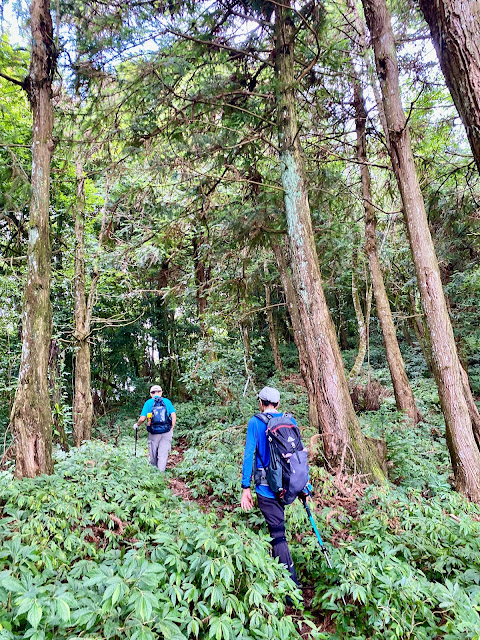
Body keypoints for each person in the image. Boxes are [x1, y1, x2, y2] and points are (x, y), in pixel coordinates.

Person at [240, 386, 300, 586]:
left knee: (277, 534)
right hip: (288, 485)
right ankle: (278, 567)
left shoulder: (255, 422)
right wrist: (303, 486)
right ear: (278, 403)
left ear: (260, 402)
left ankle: (291, 585)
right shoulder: (290, 421)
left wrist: (245, 487)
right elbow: (298, 455)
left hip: (266, 487)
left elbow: (249, 455)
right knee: (277, 528)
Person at [134, 385, 176, 471]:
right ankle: (161, 475)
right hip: (166, 431)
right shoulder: (167, 401)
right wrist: (172, 427)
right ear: (161, 392)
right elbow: (173, 415)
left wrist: (137, 425)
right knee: (163, 454)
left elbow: (142, 418)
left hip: (153, 433)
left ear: (151, 394)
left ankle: (154, 474)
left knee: (153, 454)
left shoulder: (148, 403)